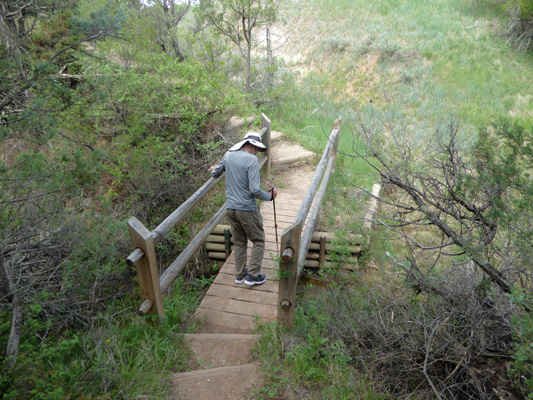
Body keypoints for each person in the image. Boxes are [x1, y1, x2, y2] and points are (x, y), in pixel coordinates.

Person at [209, 132, 278, 286]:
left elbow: (215, 173)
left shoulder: (228, 155)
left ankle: (240, 275)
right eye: (257, 150)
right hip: (247, 208)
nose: (257, 153)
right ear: (253, 146)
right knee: (258, 240)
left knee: (240, 242)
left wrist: (222, 167)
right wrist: (269, 196)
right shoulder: (251, 160)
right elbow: (254, 189)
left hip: (231, 208)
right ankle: (253, 276)